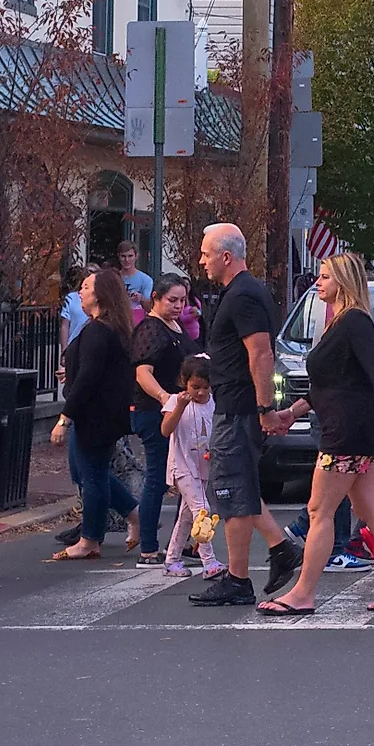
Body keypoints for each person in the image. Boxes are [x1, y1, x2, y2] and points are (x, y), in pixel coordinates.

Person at [262, 253, 374, 618]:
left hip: (347, 433)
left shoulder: (354, 322)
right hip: (353, 429)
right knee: (370, 510)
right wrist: (292, 412)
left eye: (325, 278)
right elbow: (327, 385)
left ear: (344, 282)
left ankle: (303, 593)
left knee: (320, 510)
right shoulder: (338, 323)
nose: (318, 283)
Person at [186, 224, 301, 608]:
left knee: (230, 490)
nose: (201, 261)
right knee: (239, 486)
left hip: (239, 408)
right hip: (235, 404)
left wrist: (265, 407)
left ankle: (238, 578)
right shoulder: (241, 292)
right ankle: (281, 549)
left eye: (205, 254)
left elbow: (261, 353)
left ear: (226, 256)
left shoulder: (244, 295)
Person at [50, 269, 139, 562]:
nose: (80, 291)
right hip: (100, 412)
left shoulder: (99, 330)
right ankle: (134, 513)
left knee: (93, 475)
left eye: (86, 287)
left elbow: (90, 377)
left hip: (95, 414)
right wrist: (70, 373)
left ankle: (90, 538)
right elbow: (90, 369)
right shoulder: (102, 328)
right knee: (86, 471)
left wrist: (65, 418)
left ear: (100, 294)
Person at [128, 278, 193, 558]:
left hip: (180, 412)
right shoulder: (151, 329)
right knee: (158, 477)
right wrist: (164, 397)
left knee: (186, 478)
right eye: (172, 300)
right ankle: (149, 546)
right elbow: (143, 373)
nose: (179, 306)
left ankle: (183, 541)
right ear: (156, 297)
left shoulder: (176, 328)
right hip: (154, 412)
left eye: (182, 300)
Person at [159, 356, 223, 579]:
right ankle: (209, 561)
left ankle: (172, 559)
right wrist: (180, 406)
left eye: (206, 387)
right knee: (202, 510)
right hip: (183, 466)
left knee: (187, 516)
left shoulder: (214, 402)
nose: (201, 393)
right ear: (184, 382)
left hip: (204, 466)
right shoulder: (176, 402)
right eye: (196, 387)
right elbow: (166, 430)